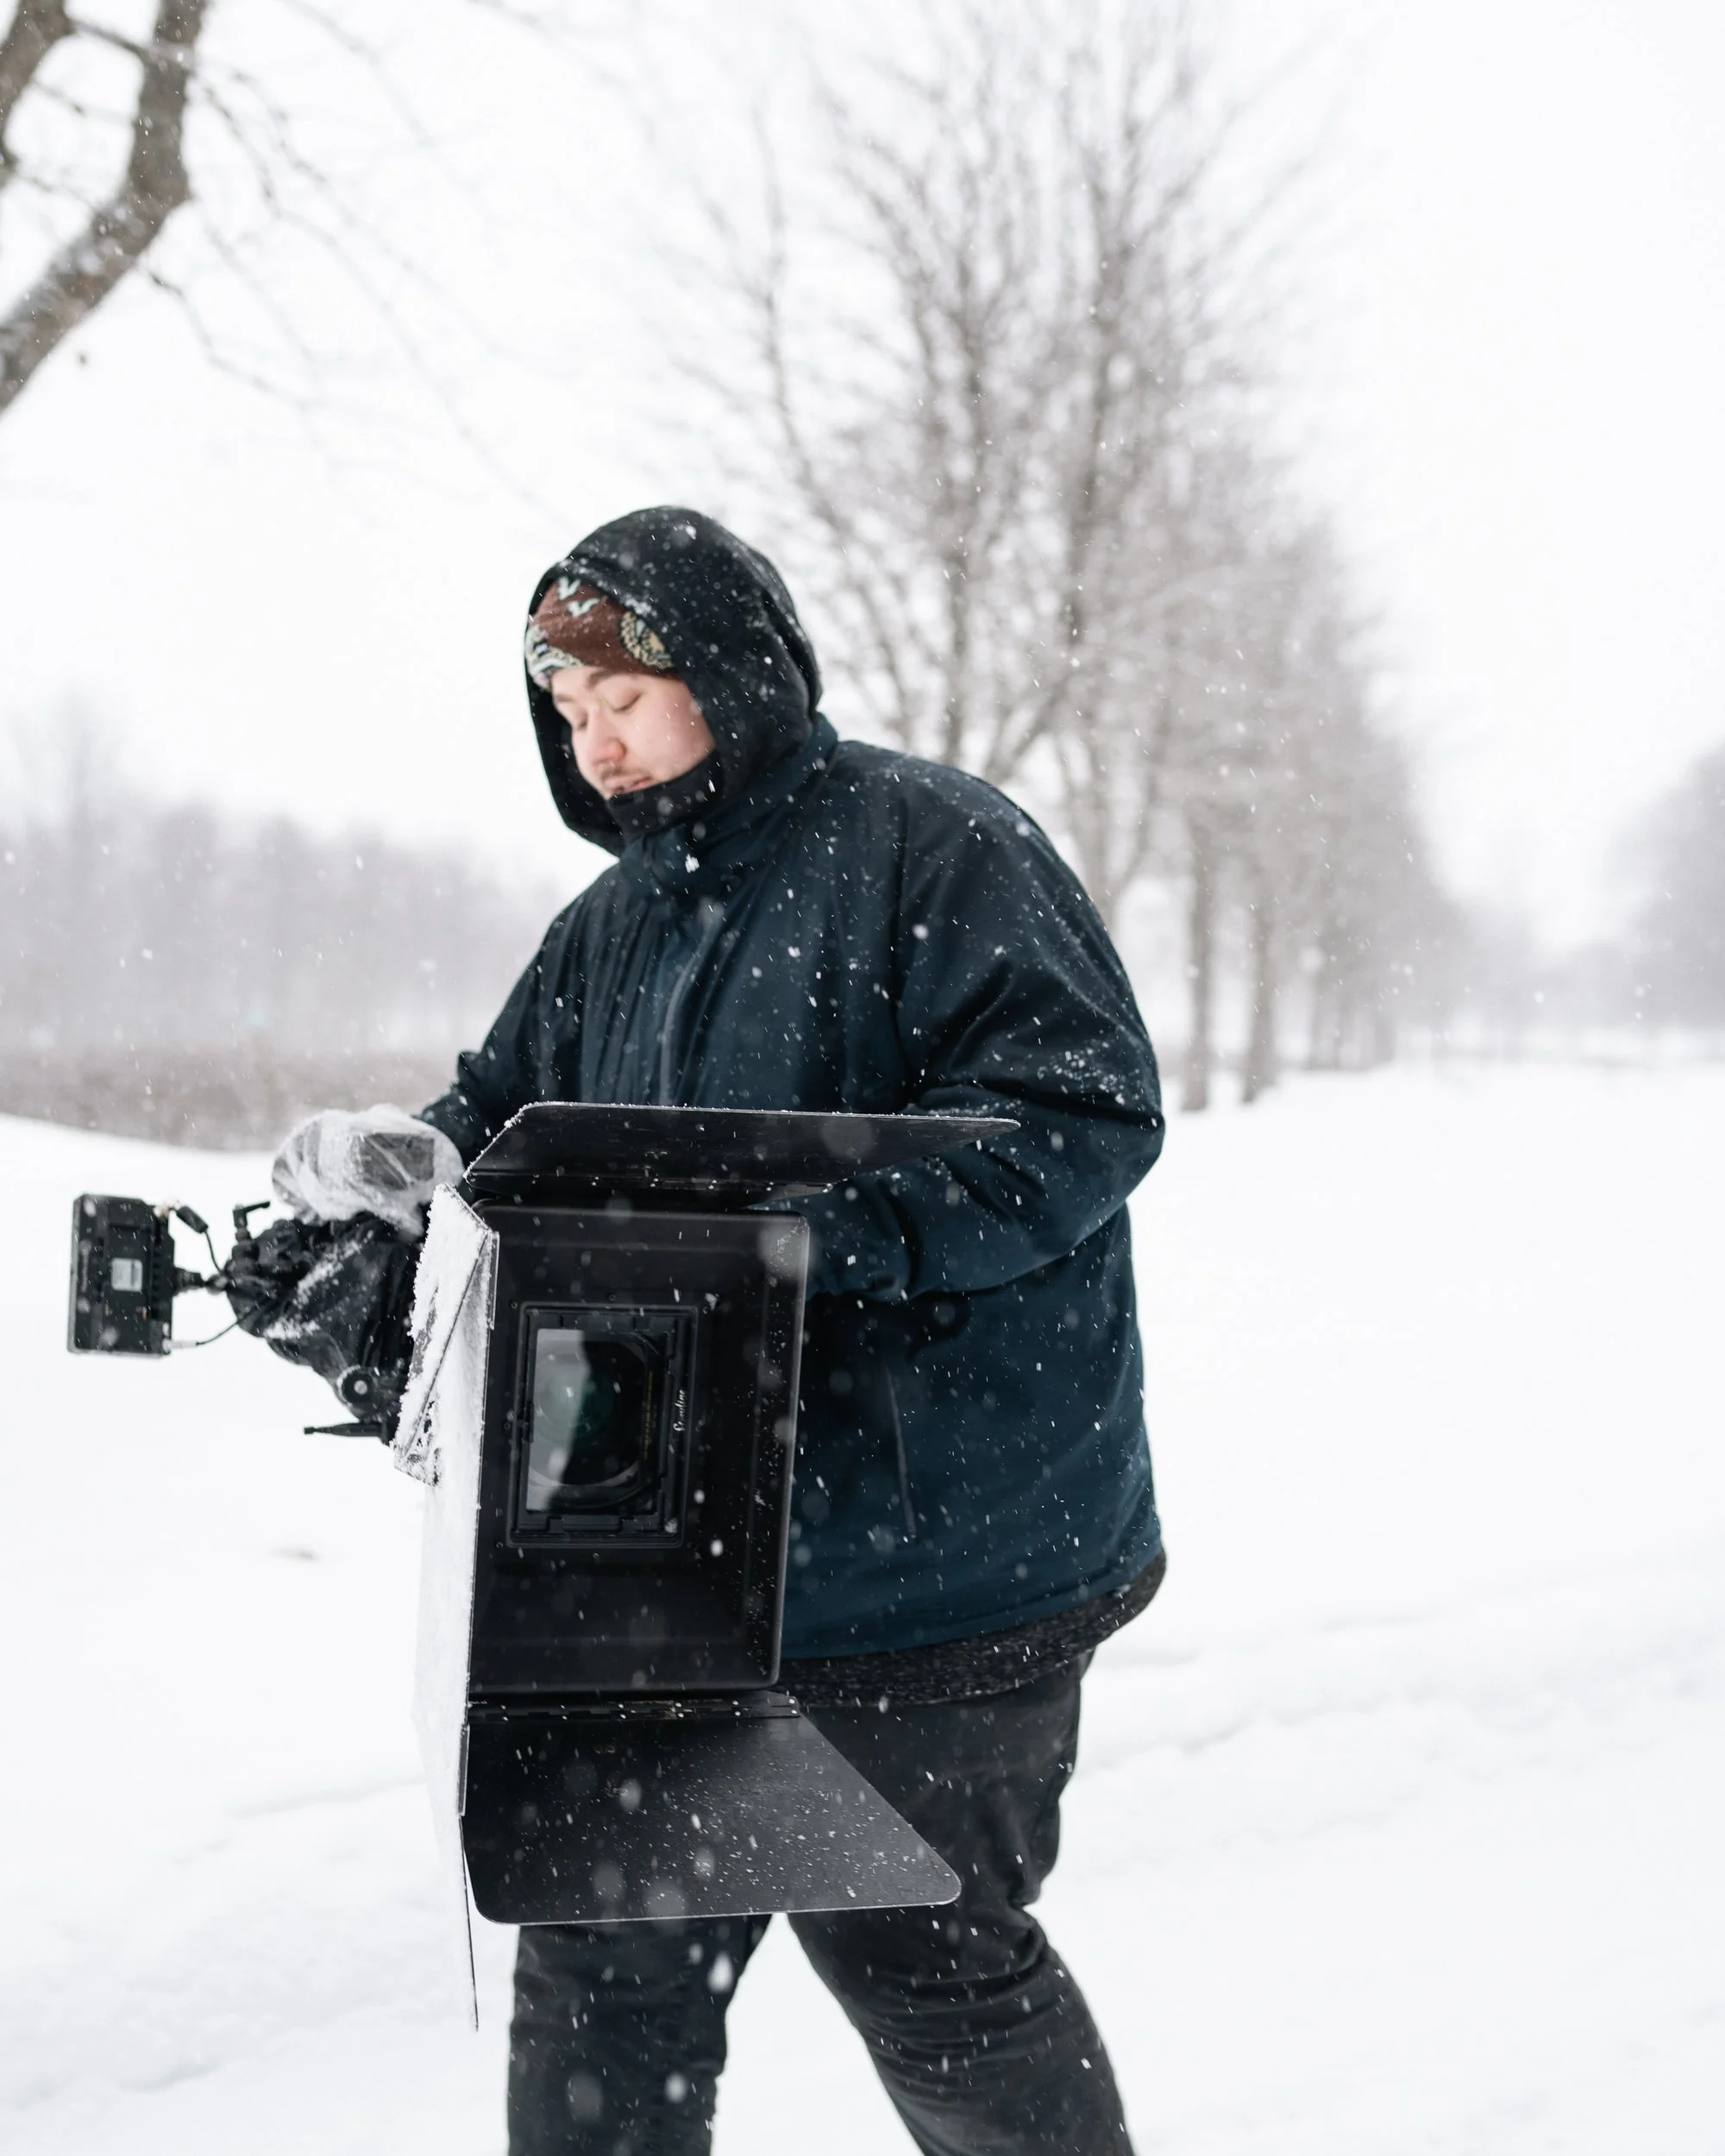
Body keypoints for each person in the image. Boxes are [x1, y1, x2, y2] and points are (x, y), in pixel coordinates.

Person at [419, 505, 1167, 2153]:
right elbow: (492, 1138)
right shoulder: (605, 932)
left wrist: (795, 1242)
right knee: (604, 1988)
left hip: (928, 1555)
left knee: (930, 1965)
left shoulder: (934, 846)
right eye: (571, 715)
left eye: (624, 699)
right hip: (654, 1560)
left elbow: (1079, 1117)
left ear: (729, 674)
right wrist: (375, 1218)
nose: (596, 742)